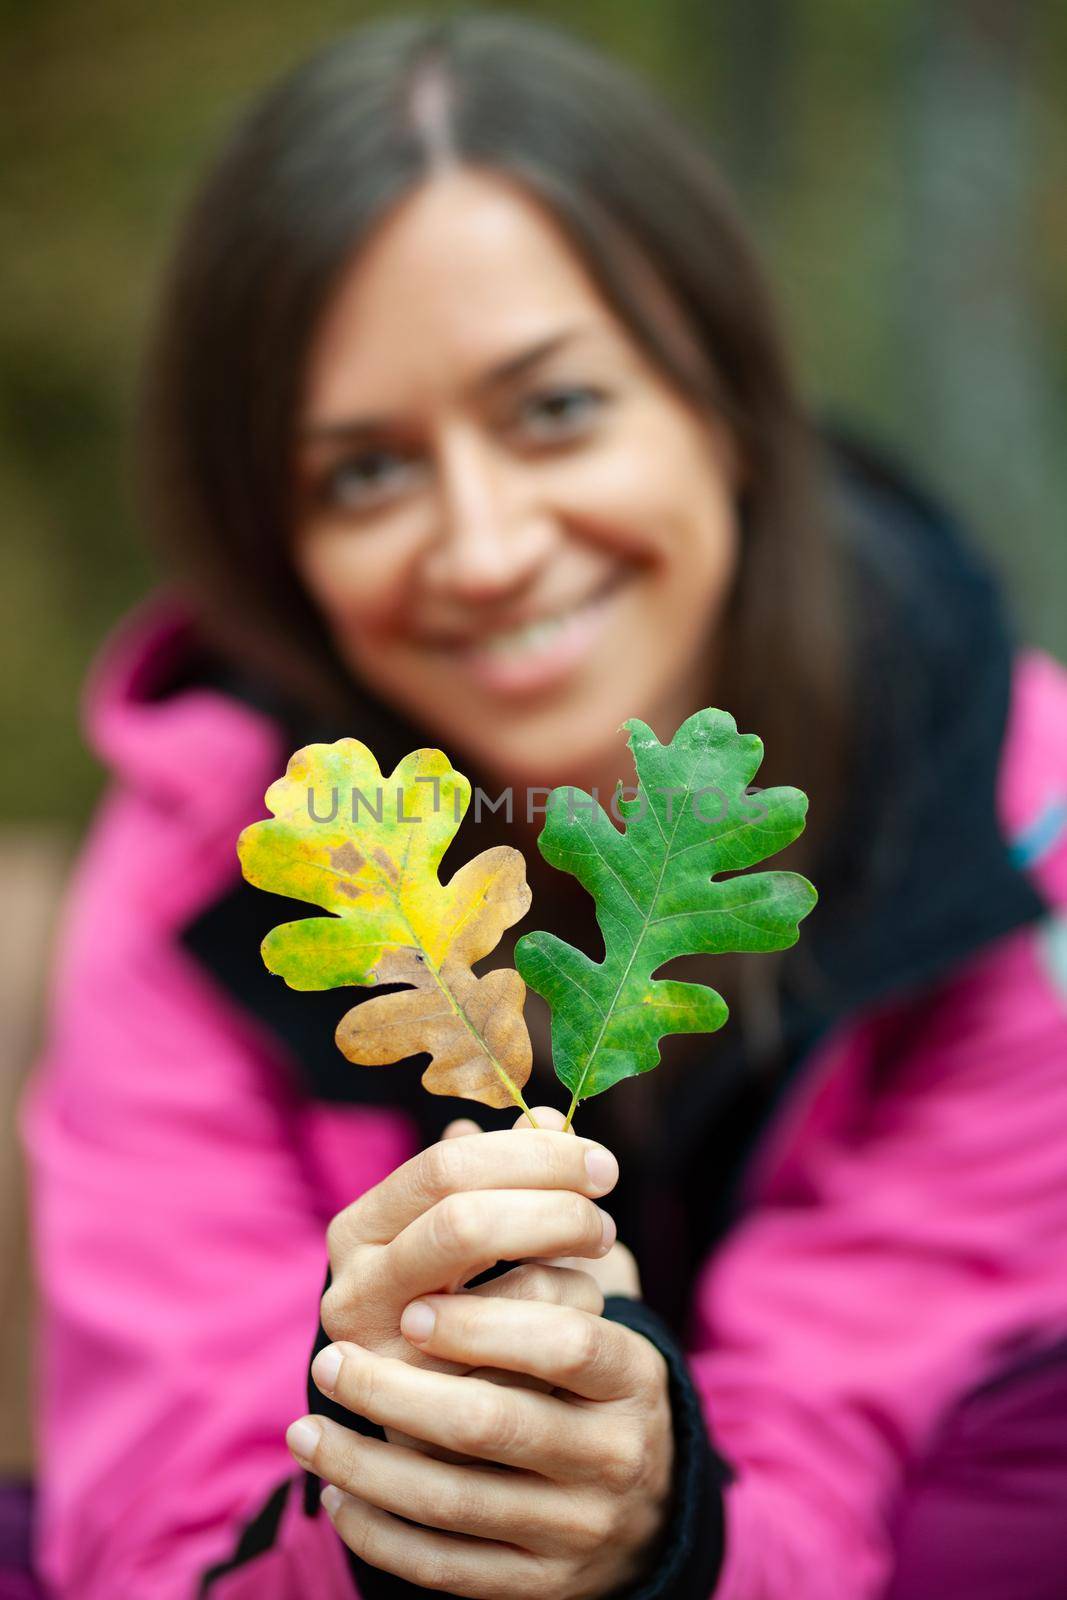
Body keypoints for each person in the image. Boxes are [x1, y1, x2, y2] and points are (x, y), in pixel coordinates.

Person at [18, 12, 1067, 1600]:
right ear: (274, 540)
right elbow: (156, 1537)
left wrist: (657, 1523)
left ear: (718, 398)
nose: (488, 545)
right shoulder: (197, 856)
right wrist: (390, 1489)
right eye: (365, 473)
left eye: (555, 409)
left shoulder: (1012, 821)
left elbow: (838, 1465)